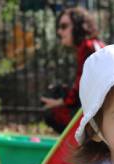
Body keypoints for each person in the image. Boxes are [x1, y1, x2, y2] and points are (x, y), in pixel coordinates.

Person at [41, 6, 104, 134]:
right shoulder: (92, 45)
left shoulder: (87, 47)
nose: (59, 32)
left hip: (99, 113)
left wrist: (57, 103)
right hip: (100, 107)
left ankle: (75, 147)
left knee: (51, 113)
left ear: (78, 26)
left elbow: (79, 91)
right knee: (60, 92)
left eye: (64, 26)